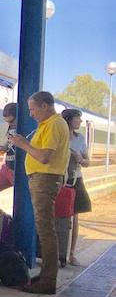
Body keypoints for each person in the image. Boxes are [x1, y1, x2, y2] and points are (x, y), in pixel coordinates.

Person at [8, 91, 71, 294]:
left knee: (45, 229)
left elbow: (44, 157)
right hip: (43, 179)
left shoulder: (53, 124)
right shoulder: (48, 124)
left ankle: (48, 281)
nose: (31, 113)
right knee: (44, 228)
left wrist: (23, 144)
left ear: (45, 106)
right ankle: (45, 275)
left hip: (45, 179)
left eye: (33, 109)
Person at [61, 108, 91, 266]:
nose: (80, 121)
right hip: (60, 180)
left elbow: (87, 162)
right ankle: (59, 253)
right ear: (69, 120)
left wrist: (80, 159)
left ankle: (71, 254)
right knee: (60, 218)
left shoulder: (80, 139)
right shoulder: (60, 136)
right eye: (77, 118)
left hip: (75, 181)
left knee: (75, 217)